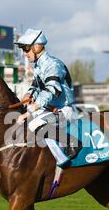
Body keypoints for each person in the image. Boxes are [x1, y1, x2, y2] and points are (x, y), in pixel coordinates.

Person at [15, 28, 78, 163]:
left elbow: (51, 90)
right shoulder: (39, 66)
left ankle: (72, 143)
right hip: (50, 109)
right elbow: (37, 86)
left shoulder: (53, 65)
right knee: (24, 123)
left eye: (26, 49)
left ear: (37, 47)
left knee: (34, 124)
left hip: (64, 109)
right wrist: (28, 95)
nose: (24, 54)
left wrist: (30, 111)